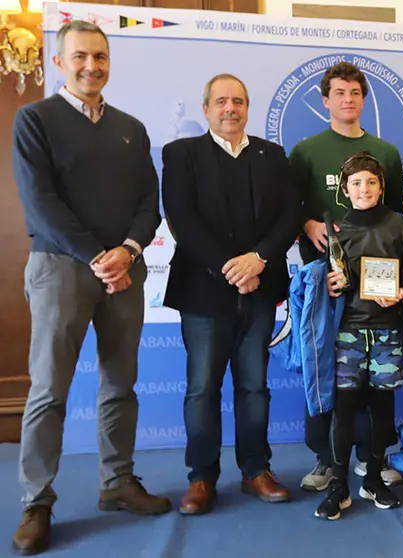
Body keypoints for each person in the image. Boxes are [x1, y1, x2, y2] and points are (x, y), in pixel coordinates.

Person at [11, 20, 169, 554]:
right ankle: (37, 501)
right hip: (61, 268)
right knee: (48, 391)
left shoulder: (130, 127)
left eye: (100, 57)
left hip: (124, 270)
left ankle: (117, 483)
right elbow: (41, 204)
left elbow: (150, 201)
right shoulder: (34, 119)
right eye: (80, 57)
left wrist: (127, 251)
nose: (91, 66)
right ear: (59, 62)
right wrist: (97, 256)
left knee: (120, 384)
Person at [162, 74, 301, 515]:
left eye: (238, 101)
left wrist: (258, 259)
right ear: (205, 109)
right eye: (220, 101)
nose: (230, 109)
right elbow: (182, 220)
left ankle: (256, 470)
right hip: (203, 293)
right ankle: (201, 477)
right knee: (202, 389)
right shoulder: (181, 154)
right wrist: (234, 269)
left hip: (259, 290)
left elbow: (290, 215)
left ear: (247, 107)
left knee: (255, 387)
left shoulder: (272, 155)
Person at [289, 61, 403, 491]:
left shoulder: (387, 153)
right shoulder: (305, 150)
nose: (347, 99)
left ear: (364, 98)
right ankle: (325, 458)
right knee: (326, 370)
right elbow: (288, 205)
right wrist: (306, 224)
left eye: (355, 92)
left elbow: (393, 219)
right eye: (339, 93)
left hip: (373, 289)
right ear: (325, 100)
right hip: (325, 281)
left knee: (374, 378)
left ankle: (372, 456)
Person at [314, 152, 403, 520]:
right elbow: (328, 280)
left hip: (387, 331)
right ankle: (338, 485)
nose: (364, 189)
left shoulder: (399, 225)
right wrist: (330, 285)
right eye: (356, 183)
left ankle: (375, 478)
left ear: (382, 187)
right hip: (348, 330)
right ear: (345, 190)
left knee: (383, 407)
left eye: (371, 182)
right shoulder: (335, 230)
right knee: (345, 407)